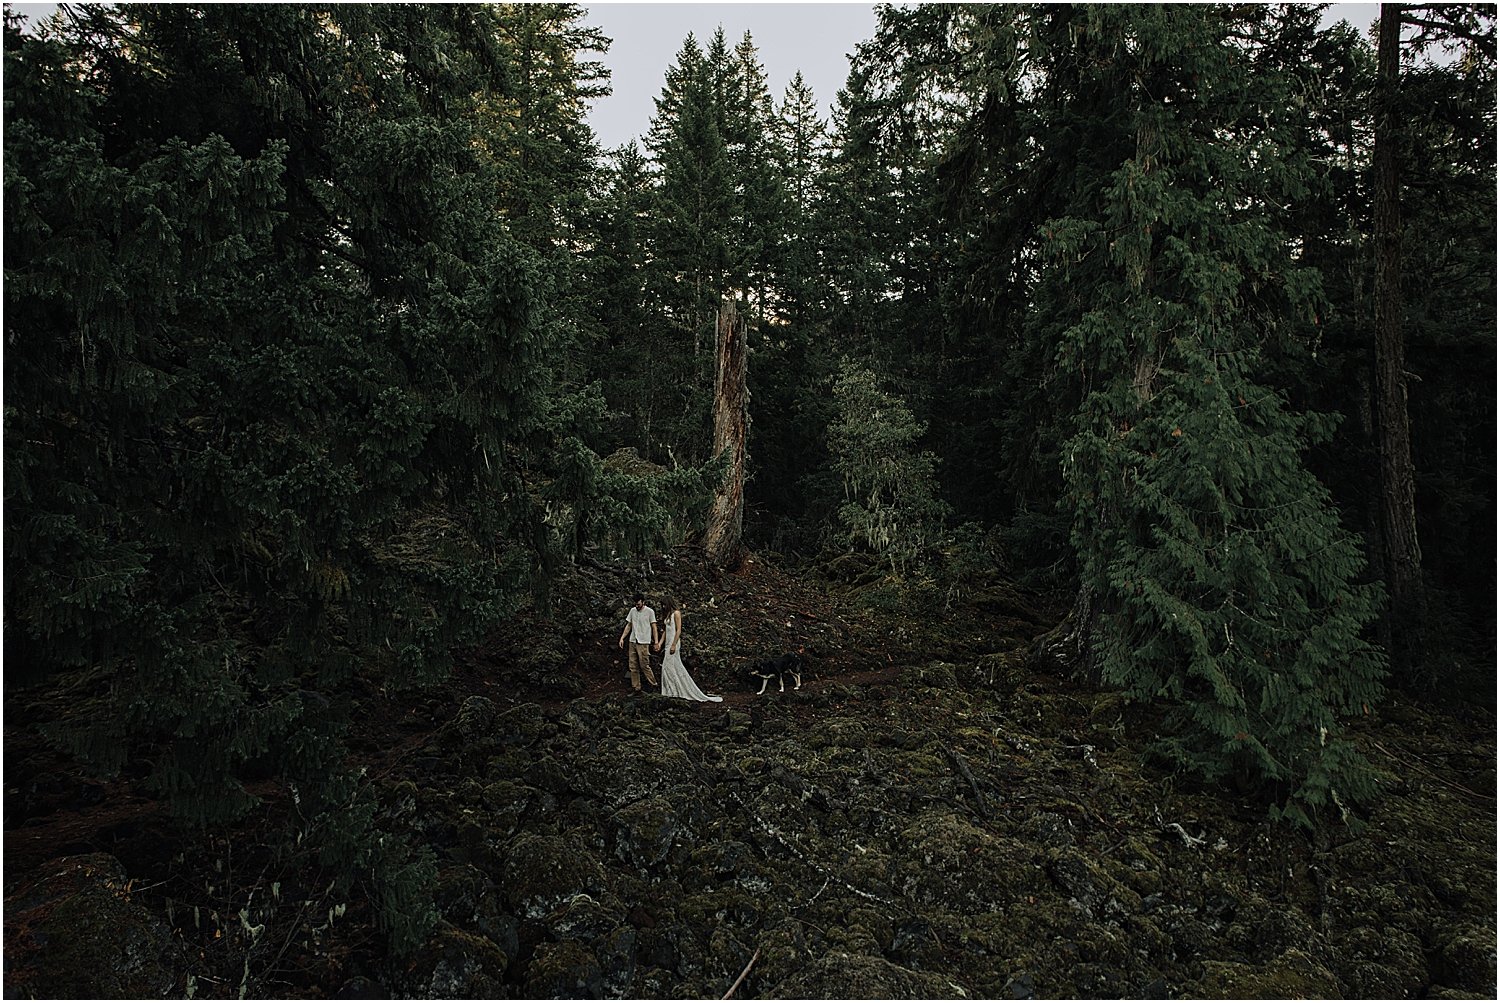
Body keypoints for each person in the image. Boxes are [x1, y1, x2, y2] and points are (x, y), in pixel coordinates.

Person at [654, 597, 722, 703]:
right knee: (670, 667)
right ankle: (671, 690)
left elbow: (678, 630)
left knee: (668, 667)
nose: (663, 607)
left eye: (664, 604)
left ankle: (675, 691)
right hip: (667, 643)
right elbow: (666, 631)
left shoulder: (676, 613)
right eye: (662, 605)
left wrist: (674, 644)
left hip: (674, 642)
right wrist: (660, 643)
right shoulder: (667, 615)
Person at [618, 593, 659, 692]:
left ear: (643, 602)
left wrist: (656, 642)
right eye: (636, 604)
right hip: (633, 640)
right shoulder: (632, 611)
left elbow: (654, 627)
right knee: (633, 665)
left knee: (644, 665)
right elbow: (629, 625)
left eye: (639, 604)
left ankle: (653, 684)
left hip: (643, 641)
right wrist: (622, 638)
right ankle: (636, 687)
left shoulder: (649, 612)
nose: (637, 606)